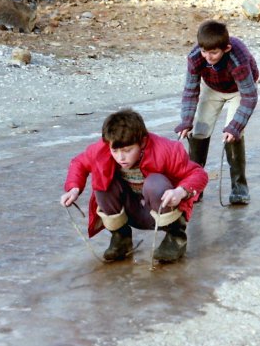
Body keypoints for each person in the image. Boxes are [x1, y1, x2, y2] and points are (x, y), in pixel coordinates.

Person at [60, 108, 208, 262]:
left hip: (161, 209)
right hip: (130, 210)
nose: (120, 157)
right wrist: (73, 188)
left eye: (127, 150)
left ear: (142, 142)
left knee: (155, 183)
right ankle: (121, 238)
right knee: (102, 184)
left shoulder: (167, 150)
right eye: (115, 151)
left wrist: (180, 192)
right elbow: (79, 163)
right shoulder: (101, 150)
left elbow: (199, 174)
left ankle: (175, 237)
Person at [175, 20, 259, 204]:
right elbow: (190, 91)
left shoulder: (238, 59)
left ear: (226, 48)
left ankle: (239, 188)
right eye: (205, 51)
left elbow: (250, 97)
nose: (208, 57)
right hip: (212, 88)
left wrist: (235, 127)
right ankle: (194, 187)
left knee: (233, 134)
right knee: (199, 131)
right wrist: (186, 121)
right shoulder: (196, 57)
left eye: (214, 53)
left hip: (240, 90)